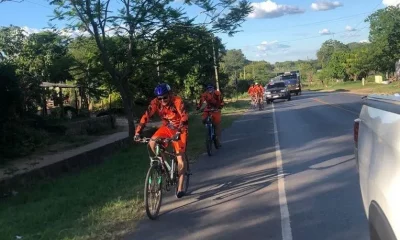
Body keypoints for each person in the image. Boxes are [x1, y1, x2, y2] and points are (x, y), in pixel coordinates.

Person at [134, 83, 189, 198]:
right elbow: (146, 116)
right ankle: (162, 164)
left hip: (180, 129)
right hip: (167, 127)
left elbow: (184, 117)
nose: (162, 100)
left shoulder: (177, 101)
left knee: (180, 158)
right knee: (152, 142)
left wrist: (179, 132)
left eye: (165, 97)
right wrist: (138, 132)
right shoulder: (155, 103)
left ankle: (180, 188)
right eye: (160, 98)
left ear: (169, 94)